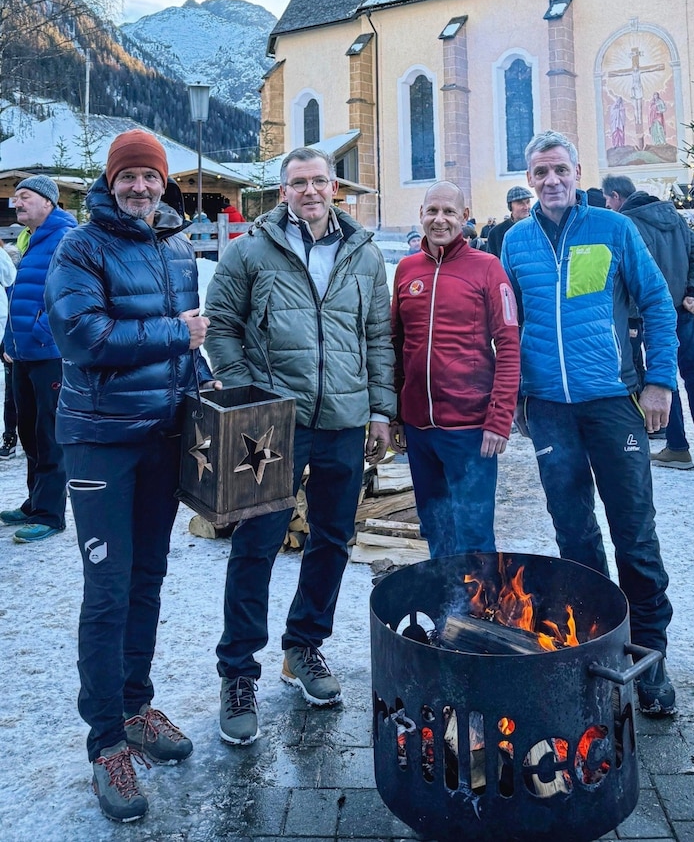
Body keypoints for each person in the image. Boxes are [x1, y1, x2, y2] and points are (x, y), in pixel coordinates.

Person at [45, 129, 217, 824]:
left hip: (161, 438)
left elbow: (187, 349)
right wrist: (181, 334)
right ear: (110, 181)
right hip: (99, 443)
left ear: (164, 181)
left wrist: (209, 393)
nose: (140, 188)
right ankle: (106, 742)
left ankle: (137, 704)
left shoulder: (177, 246)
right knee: (108, 587)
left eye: (150, 176)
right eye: (128, 177)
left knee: (148, 575)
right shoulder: (78, 247)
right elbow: (83, 338)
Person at [205, 146, 395, 743]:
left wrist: (382, 409)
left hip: (343, 416)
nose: (309, 191)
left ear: (333, 187)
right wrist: (248, 392)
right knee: (258, 542)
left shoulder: (363, 253)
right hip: (272, 423)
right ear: (282, 189)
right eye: (297, 182)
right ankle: (238, 673)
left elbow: (379, 336)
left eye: (319, 181)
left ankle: (304, 647)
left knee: (333, 538)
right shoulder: (250, 250)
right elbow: (220, 323)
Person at [502, 132, 678, 717]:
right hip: (550, 407)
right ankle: (594, 640)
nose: (550, 180)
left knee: (634, 533)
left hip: (612, 401)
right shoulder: (516, 242)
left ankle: (649, 654)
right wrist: (520, 396)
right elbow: (513, 324)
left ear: (578, 172)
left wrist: (659, 381)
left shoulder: (613, 229)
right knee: (574, 534)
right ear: (529, 180)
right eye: (539, 172)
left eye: (559, 169)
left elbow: (656, 301)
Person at [391, 181, 520, 557]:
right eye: (432, 211)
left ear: (464, 217)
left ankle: (481, 612)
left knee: (475, 535)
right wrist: (399, 414)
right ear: (421, 215)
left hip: (470, 430)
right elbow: (395, 344)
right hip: (419, 430)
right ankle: (446, 608)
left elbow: (509, 345)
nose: (440, 219)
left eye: (449, 212)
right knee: (435, 529)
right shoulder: (406, 269)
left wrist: (499, 418)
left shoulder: (487, 268)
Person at [602, 174, 694, 469]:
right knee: (691, 372)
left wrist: (627, 317)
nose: (606, 205)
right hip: (682, 309)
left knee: (661, 375)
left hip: (646, 316)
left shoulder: (626, 224)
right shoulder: (675, 218)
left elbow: (624, 280)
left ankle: (677, 447)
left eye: (607, 200)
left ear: (616, 198)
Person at [0, 177, 76, 542]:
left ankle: (50, 513)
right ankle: (35, 502)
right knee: (29, 431)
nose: (17, 204)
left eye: (24, 198)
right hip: (23, 353)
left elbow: (69, 294)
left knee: (48, 433)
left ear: (48, 202)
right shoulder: (30, 239)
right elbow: (22, 295)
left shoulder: (65, 237)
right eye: (15, 199)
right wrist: (11, 339)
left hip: (49, 355)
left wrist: (43, 333)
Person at [0, 245, 17, 460]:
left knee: (13, 392)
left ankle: (10, 437)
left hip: (9, 336)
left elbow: (10, 278)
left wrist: (10, 342)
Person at [487, 185, 533, 258]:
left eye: (528, 202)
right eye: (520, 203)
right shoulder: (496, 233)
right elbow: (492, 262)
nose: (526, 207)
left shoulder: (539, 227)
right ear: (510, 206)